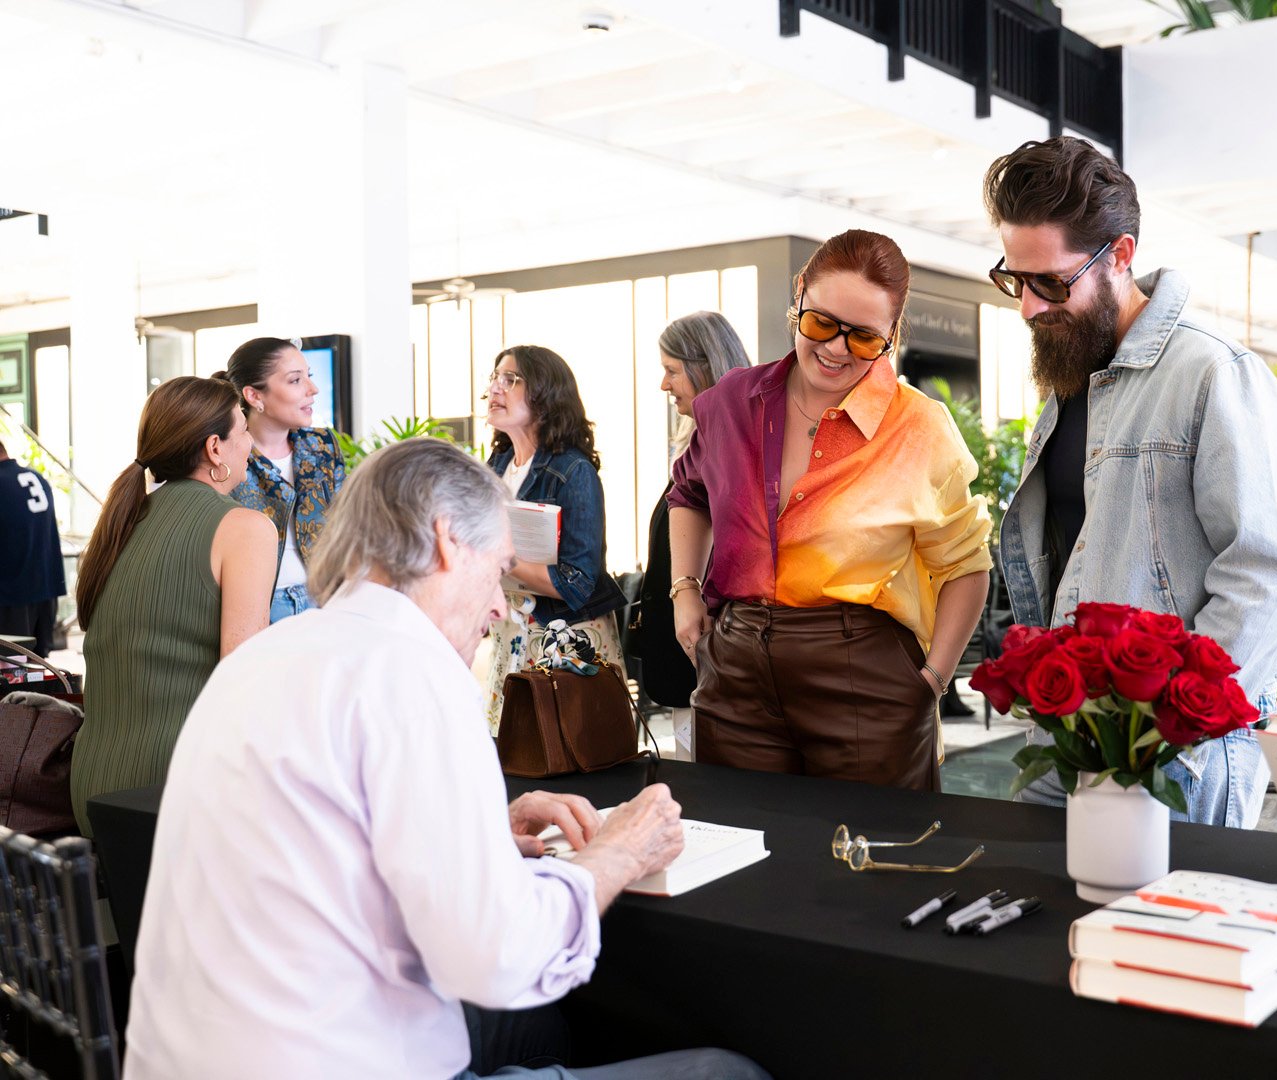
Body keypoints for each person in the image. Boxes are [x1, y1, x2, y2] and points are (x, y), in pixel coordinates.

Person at [122, 438, 768, 1080]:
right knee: (725, 1073)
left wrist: (482, 830)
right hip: (331, 1058)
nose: (500, 605)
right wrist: (621, 851)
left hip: (190, 1056)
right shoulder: (411, 672)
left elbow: (322, 840)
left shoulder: (271, 653)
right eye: (499, 570)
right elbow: (499, 957)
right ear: (448, 540)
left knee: (541, 1028)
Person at [983, 137, 1277, 827]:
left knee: (1156, 935)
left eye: (1049, 282)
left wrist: (1169, 727)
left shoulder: (1215, 374)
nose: (1028, 308)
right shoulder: (1075, 379)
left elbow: (1270, 576)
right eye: (1016, 280)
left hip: (1172, 754)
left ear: (1121, 255)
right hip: (1069, 734)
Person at [668, 230, 993, 791]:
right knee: (745, 845)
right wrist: (685, 591)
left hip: (864, 672)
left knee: (871, 859)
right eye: (821, 323)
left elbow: (966, 564)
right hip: (736, 667)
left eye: (864, 338)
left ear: (891, 334)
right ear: (799, 296)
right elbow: (687, 494)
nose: (836, 349)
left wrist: (932, 681)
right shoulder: (731, 402)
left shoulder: (916, 427)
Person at [71, 376, 277, 835]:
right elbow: (242, 680)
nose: (250, 446)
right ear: (215, 449)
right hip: (176, 791)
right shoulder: (244, 529)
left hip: (94, 788)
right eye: (243, 432)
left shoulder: (122, 522)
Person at [483, 346, 627, 730]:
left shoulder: (573, 471)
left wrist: (500, 557)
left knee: (571, 756)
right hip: (512, 637)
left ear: (545, 396)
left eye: (509, 379)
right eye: (494, 378)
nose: (495, 388)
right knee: (515, 758)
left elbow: (578, 583)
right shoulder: (496, 467)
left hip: (565, 643)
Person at [629, 311, 752, 761]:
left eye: (671, 370)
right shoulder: (698, 445)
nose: (664, 385)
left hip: (710, 656)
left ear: (705, 366)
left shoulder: (735, 450)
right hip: (690, 650)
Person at [219, 336, 346, 623]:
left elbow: (345, 525)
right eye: (295, 380)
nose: (312, 390)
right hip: (259, 607)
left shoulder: (322, 445)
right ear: (254, 396)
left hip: (325, 600)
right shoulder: (226, 456)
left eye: (309, 378)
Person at [0, 439, 66, 653]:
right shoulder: (37, 478)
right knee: (39, 669)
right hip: (45, 593)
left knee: (12, 670)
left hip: (12, 598)